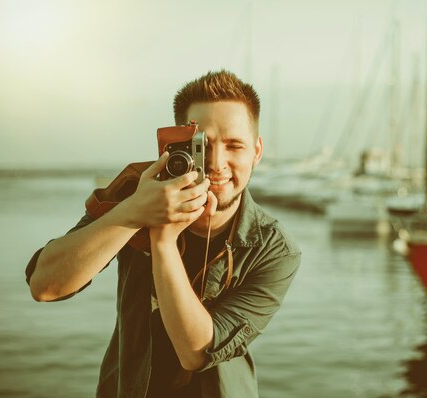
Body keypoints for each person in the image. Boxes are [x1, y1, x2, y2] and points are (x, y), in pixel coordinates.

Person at [25, 70, 301, 398]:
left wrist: (163, 238)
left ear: (256, 151)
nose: (217, 162)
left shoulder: (273, 248)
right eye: (204, 145)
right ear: (175, 143)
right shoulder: (135, 193)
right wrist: (133, 212)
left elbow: (196, 353)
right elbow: (45, 285)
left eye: (234, 146)